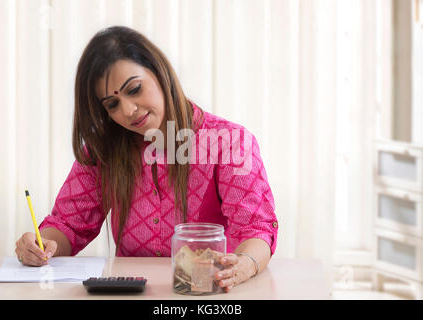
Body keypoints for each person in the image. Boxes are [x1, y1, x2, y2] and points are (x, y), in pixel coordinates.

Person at [14, 26, 278, 293]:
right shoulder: (103, 151)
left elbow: (256, 229)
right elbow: (68, 225)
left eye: (135, 89)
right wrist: (40, 245)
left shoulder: (229, 143)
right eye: (112, 105)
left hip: (207, 292)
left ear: (159, 72)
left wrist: (244, 264)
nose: (128, 110)